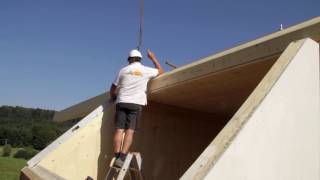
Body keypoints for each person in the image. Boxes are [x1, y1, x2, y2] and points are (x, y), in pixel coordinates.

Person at [109, 49, 164, 167]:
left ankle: (117, 155)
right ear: (140, 59)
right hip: (135, 104)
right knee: (130, 131)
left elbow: (113, 87)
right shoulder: (145, 70)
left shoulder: (123, 70)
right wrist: (153, 57)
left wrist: (113, 96)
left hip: (122, 101)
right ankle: (122, 157)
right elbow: (161, 71)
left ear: (129, 59)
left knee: (119, 130)